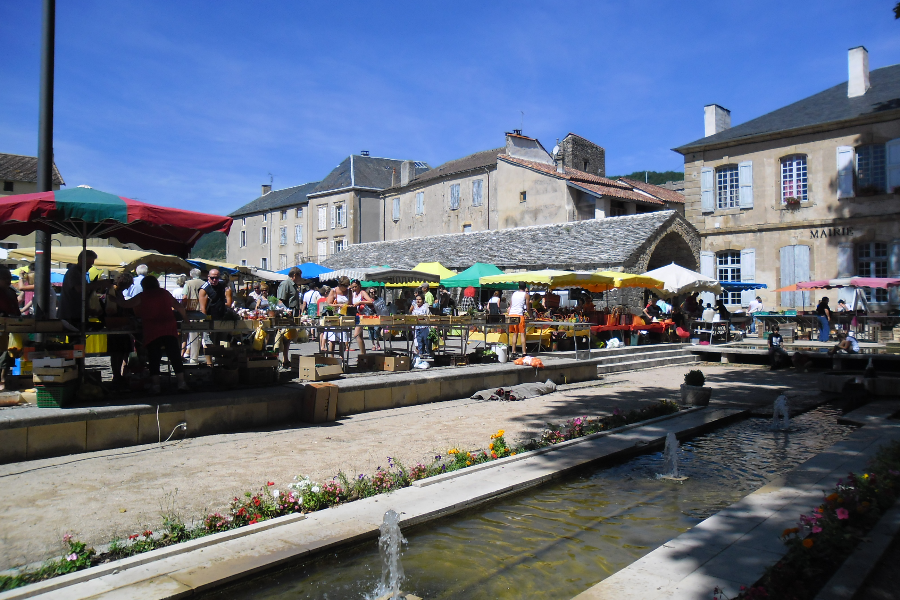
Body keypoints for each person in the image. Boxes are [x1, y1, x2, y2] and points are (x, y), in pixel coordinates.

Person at [117, 276, 188, 394]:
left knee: (154, 357)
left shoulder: (143, 295)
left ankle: (156, 386)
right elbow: (180, 307)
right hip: (169, 328)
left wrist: (115, 300)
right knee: (175, 356)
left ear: (144, 286)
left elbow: (127, 304)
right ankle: (182, 383)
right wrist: (186, 319)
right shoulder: (165, 293)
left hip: (152, 329)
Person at [60, 250, 113, 326]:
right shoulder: (74, 272)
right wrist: (100, 283)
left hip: (77, 315)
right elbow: (79, 289)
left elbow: (82, 293)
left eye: (91, 264)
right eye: (88, 263)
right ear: (81, 260)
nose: (90, 266)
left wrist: (88, 310)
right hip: (71, 316)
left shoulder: (81, 273)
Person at [198, 269, 234, 366]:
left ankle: (219, 362)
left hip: (221, 317)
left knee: (220, 342)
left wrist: (228, 291)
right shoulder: (204, 289)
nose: (214, 280)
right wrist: (207, 323)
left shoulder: (222, 285)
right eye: (212, 278)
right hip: (210, 318)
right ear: (208, 277)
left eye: (217, 278)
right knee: (208, 343)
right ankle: (210, 364)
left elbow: (228, 297)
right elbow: (203, 308)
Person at [273, 268, 305, 368]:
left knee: (288, 338)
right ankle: (276, 360)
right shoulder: (286, 284)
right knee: (280, 338)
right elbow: (280, 301)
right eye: (299, 275)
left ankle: (285, 359)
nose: (300, 278)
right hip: (285, 316)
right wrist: (287, 311)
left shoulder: (295, 286)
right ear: (295, 275)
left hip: (292, 316)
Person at [0, 267, 21, 390]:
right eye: (4, 278)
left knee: (8, 354)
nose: (8, 281)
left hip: (10, 328)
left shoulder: (11, 292)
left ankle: (4, 378)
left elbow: (15, 310)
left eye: (9, 278)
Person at [323, 276, 353, 354]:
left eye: (347, 286)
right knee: (332, 338)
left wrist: (349, 306)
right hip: (335, 316)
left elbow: (350, 303)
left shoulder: (349, 292)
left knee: (343, 339)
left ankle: (342, 358)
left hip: (345, 316)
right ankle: (332, 358)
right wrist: (338, 305)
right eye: (345, 286)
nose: (346, 288)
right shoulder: (334, 291)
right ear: (340, 285)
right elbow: (328, 304)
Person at [181, 268, 204, 363]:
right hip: (203, 310)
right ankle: (202, 355)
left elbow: (185, 297)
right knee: (203, 336)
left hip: (192, 310)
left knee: (193, 335)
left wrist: (182, 308)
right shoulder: (204, 283)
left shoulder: (188, 283)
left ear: (191, 275)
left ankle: (194, 358)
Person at [348, 279, 373, 355]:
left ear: (359, 286)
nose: (354, 289)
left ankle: (363, 354)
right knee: (360, 336)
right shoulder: (353, 294)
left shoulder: (362, 293)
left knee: (356, 334)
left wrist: (360, 302)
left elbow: (370, 301)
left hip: (363, 315)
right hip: (356, 315)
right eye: (353, 287)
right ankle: (363, 354)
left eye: (355, 287)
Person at [508, 282, 530, 357]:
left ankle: (513, 351)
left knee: (515, 333)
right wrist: (530, 315)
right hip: (519, 314)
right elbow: (528, 307)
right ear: (525, 287)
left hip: (512, 314)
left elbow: (511, 305)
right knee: (522, 333)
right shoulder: (526, 295)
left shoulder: (514, 294)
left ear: (518, 287)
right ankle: (524, 352)